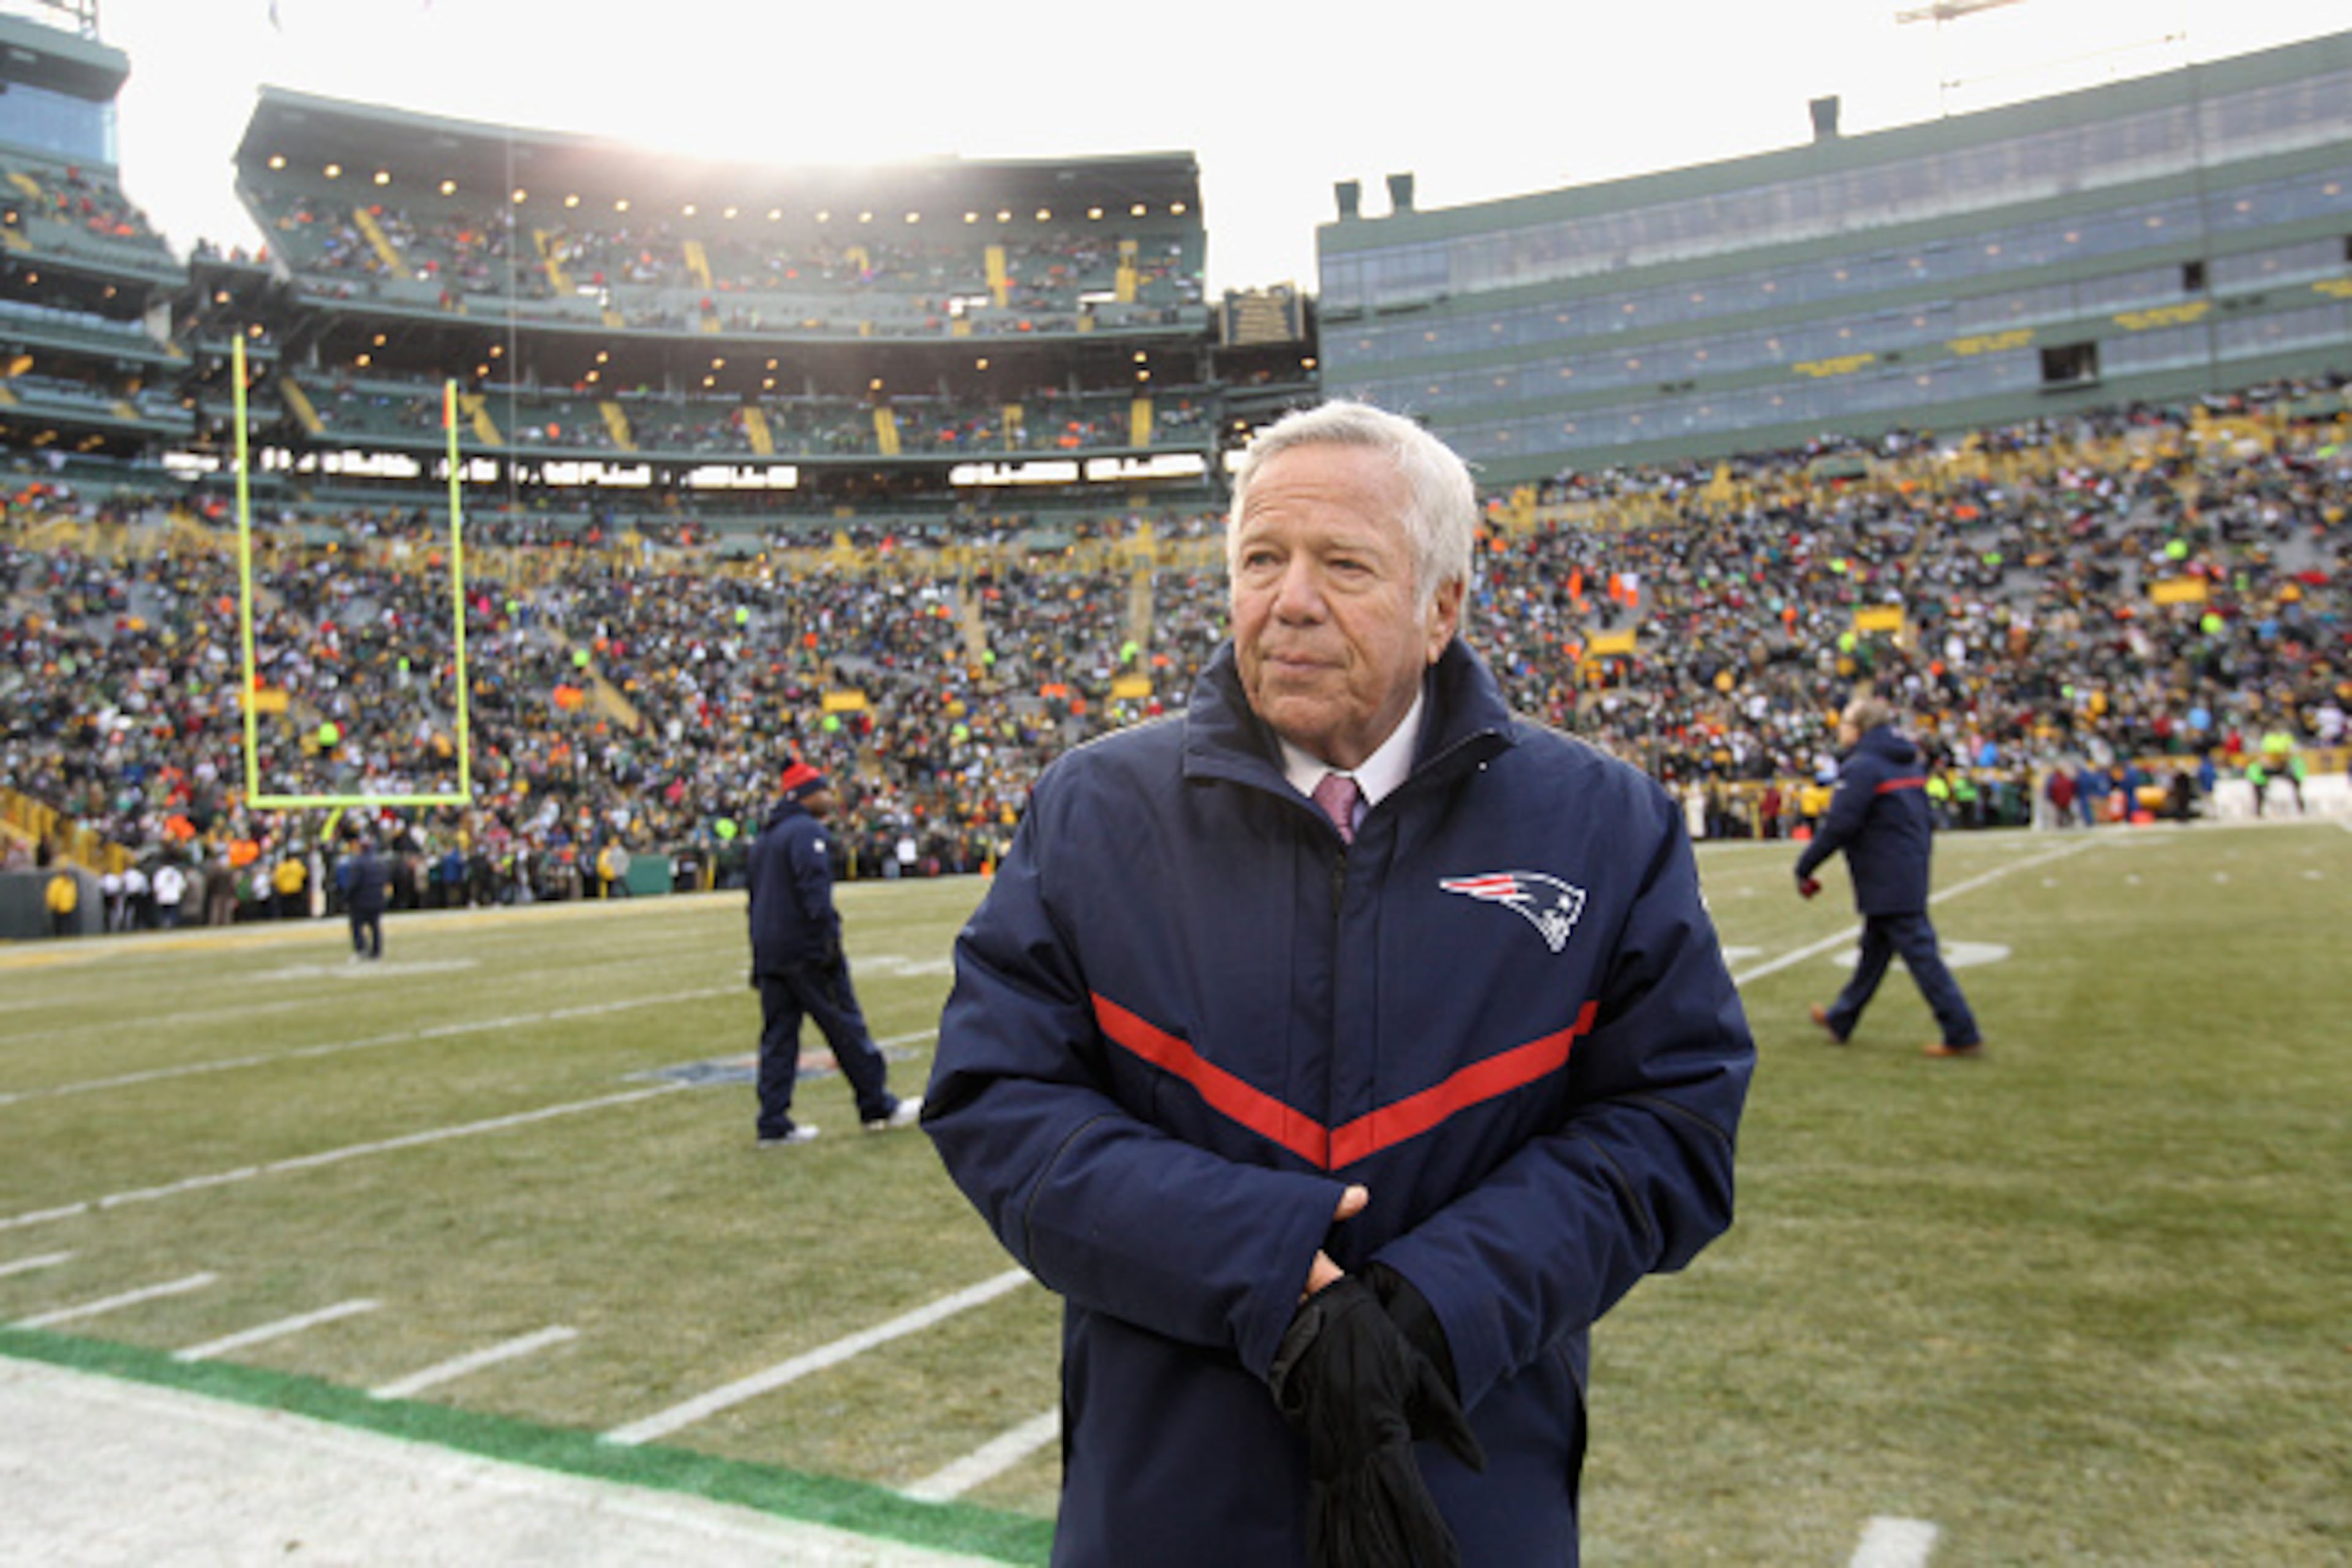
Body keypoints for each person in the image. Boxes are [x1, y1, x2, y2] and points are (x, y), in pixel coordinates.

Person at [924, 401, 1755, 1567]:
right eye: (1262, 560)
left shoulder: (1602, 821)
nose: (1291, 599)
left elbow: (1674, 1123)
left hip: (1469, 1476)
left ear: (1443, 606)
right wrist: (1271, 1272)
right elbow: (999, 1103)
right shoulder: (1095, 808)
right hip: (1166, 1498)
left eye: (1343, 564)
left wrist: (1436, 1307)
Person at [1797, 695, 1984, 1060]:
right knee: (1875, 953)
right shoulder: (1905, 762)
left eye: (1847, 722)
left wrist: (1805, 866)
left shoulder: (1864, 767)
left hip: (1887, 875)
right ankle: (1842, 1018)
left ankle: (1961, 1030)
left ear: (1862, 728)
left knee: (1920, 954)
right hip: (1905, 867)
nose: (1841, 728)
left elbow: (1840, 825)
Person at [745, 761, 921, 1147]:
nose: (831, 797)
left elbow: (755, 901)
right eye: (824, 790)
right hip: (806, 951)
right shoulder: (805, 832)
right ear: (808, 794)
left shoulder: (766, 838)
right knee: (845, 1027)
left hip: (771, 951)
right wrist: (826, 943)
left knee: (778, 1038)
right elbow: (815, 894)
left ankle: (773, 1122)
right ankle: (877, 1103)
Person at [342, 835, 388, 961]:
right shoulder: (380, 862)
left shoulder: (358, 863)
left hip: (361, 900)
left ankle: (361, 949)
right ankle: (376, 952)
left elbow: (353, 884)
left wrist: (346, 898)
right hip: (377, 899)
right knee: (375, 926)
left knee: (357, 925)